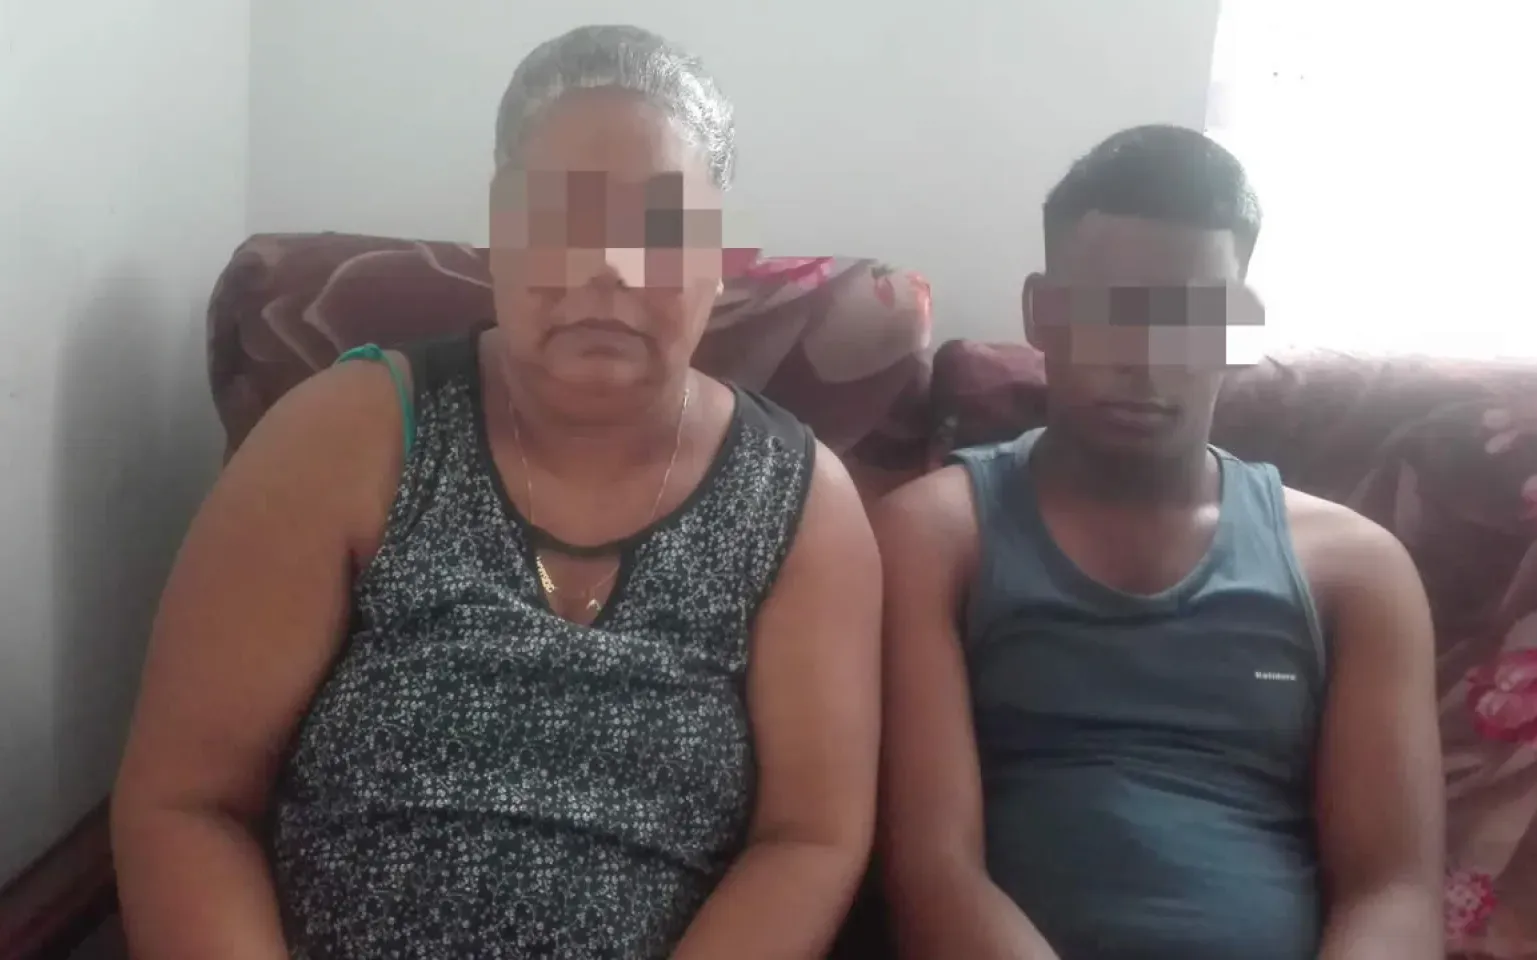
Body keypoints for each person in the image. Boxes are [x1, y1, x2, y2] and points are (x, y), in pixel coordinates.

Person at [111, 24, 882, 960]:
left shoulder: (799, 504)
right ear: (498, 234)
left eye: (657, 226)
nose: (609, 266)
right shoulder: (348, 435)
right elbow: (188, 804)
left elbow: (807, 840)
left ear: (718, 258)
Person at [875, 125, 1444, 959]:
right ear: (1041, 313)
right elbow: (932, 871)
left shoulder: (1356, 570)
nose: (1143, 358)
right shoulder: (933, 536)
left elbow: (1393, 890)